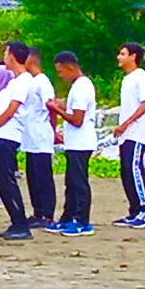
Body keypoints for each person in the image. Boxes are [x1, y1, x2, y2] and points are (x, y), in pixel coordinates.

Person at [0, 44, 36, 242]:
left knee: (6, 180)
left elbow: (11, 110)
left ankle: (20, 223)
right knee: (1, 179)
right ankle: (16, 221)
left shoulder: (24, 80)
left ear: (12, 55)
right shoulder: (13, 81)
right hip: (0, 134)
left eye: (5, 53)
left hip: (9, 135)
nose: (4, 57)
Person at [112, 43, 145, 228]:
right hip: (125, 135)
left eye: (122, 54)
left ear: (133, 56)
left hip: (136, 134)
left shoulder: (141, 77)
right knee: (125, 171)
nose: (119, 57)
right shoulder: (127, 79)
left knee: (134, 169)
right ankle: (134, 209)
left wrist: (126, 123)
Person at [51, 51, 97, 235]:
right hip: (74, 143)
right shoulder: (78, 86)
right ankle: (68, 216)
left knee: (79, 182)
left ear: (70, 67)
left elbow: (77, 119)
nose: (60, 76)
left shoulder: (82, 87)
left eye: (61, 72)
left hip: (81, 142)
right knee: (71, 181)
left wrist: (57, 110)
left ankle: (82, 220)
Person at [21, 49, 58, 230]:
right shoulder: (31, 82)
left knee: (43, 176)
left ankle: (47, 213)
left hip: (41, 136)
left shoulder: (43, 82)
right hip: (30, 137)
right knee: (32, 176)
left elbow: (51, 106)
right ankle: (37, 211)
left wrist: (53, 129)